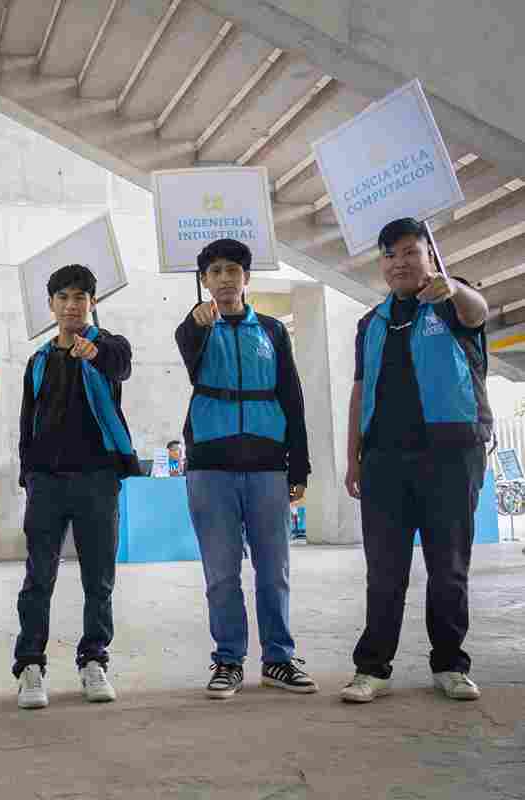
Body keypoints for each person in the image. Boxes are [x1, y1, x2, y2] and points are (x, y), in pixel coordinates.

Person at [341, 218, 492, 704]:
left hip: (451, 455)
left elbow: (478, 311)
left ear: (429, 256)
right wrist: (353, 458)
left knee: (448, 565)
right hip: (384, 460)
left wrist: (452, 290)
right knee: (384, 570)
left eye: (410, 252)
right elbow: (360, 392)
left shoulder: (452, 301)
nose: (399, 262)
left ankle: (450, 664)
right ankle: (372, 668)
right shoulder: (372, 322)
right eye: (389, 255)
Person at [175, 238, 315, 700]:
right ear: (204, 281)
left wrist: (301, 464)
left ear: (247, 278)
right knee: (221, 572)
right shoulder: (192, 329)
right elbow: (192, 360)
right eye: (214, 271)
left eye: (232, 269)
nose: (224, 278)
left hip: (267, 466)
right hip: (210, 469)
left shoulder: (273, 331)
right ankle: (228, 660)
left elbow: (291, 398)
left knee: (274, 569)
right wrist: (198, 325)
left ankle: (278, 658)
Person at [14, 264, 140, 709]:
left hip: (97, 480)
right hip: (46, 483)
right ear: (50, 305)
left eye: (80, 297)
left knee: (99, 579)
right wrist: (28, 476)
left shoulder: (107, 347)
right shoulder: (38, 361)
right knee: (38, 578)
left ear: (92, 304)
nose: (72, 305)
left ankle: (94, 660)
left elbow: (120, 364)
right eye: (63, 297)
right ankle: (31, 664)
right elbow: (26, 425)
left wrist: (95, 351)